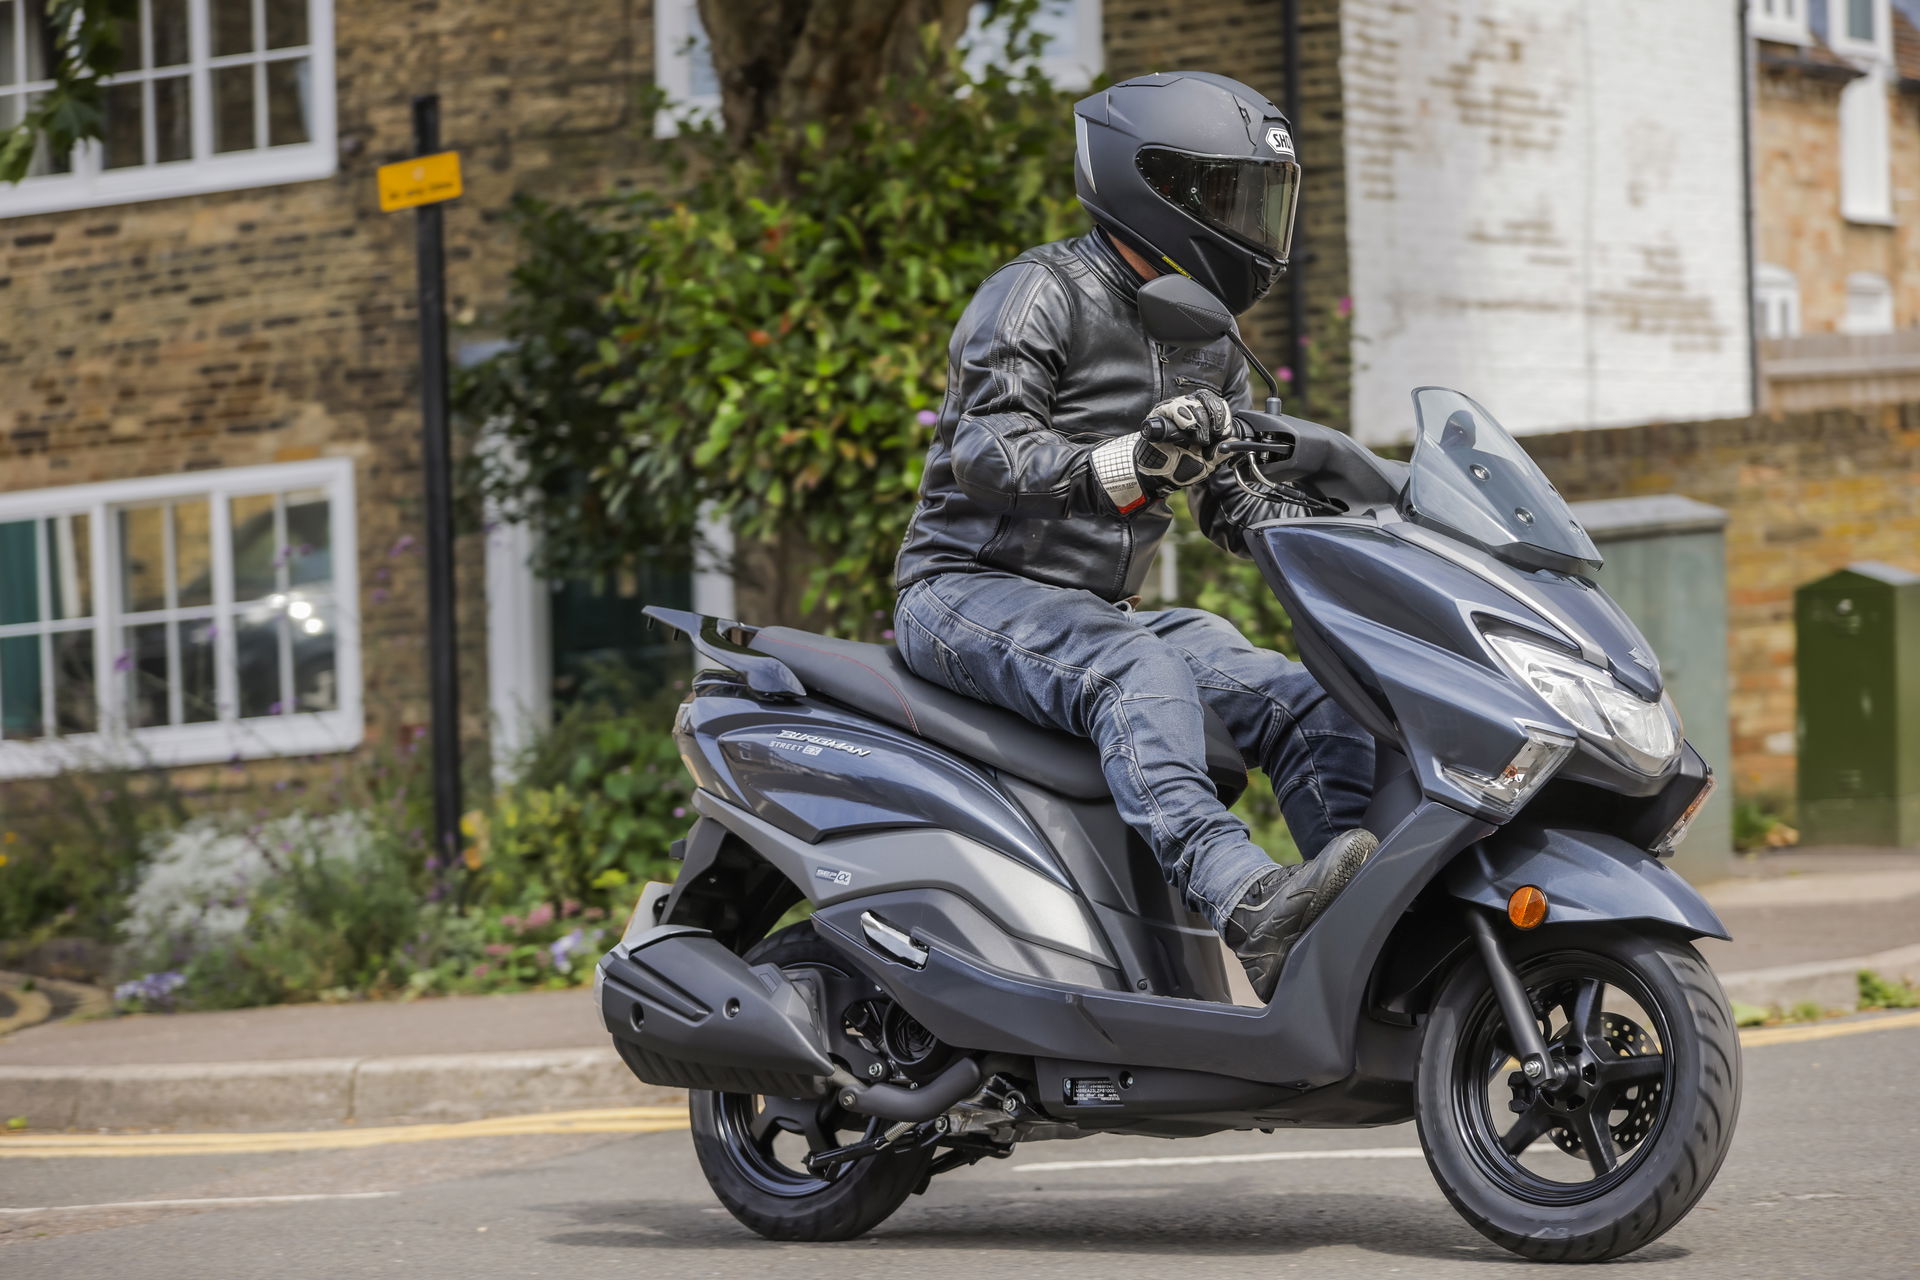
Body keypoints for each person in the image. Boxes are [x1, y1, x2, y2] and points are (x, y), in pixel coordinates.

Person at [892, 71, 1376, 1001]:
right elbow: (991, 453)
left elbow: (1234, 499)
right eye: (1230, 196)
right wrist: (1127, 463)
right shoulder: (1037, 294)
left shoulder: (1206, 331)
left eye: (1262, 200)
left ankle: (1351, 936)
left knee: (1305, 698)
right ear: (1152, 187)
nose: (1253, 222)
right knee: (1134, 670)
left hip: (1094, 610)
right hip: (964, 590)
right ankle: (1246, 904)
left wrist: (1342, 531)